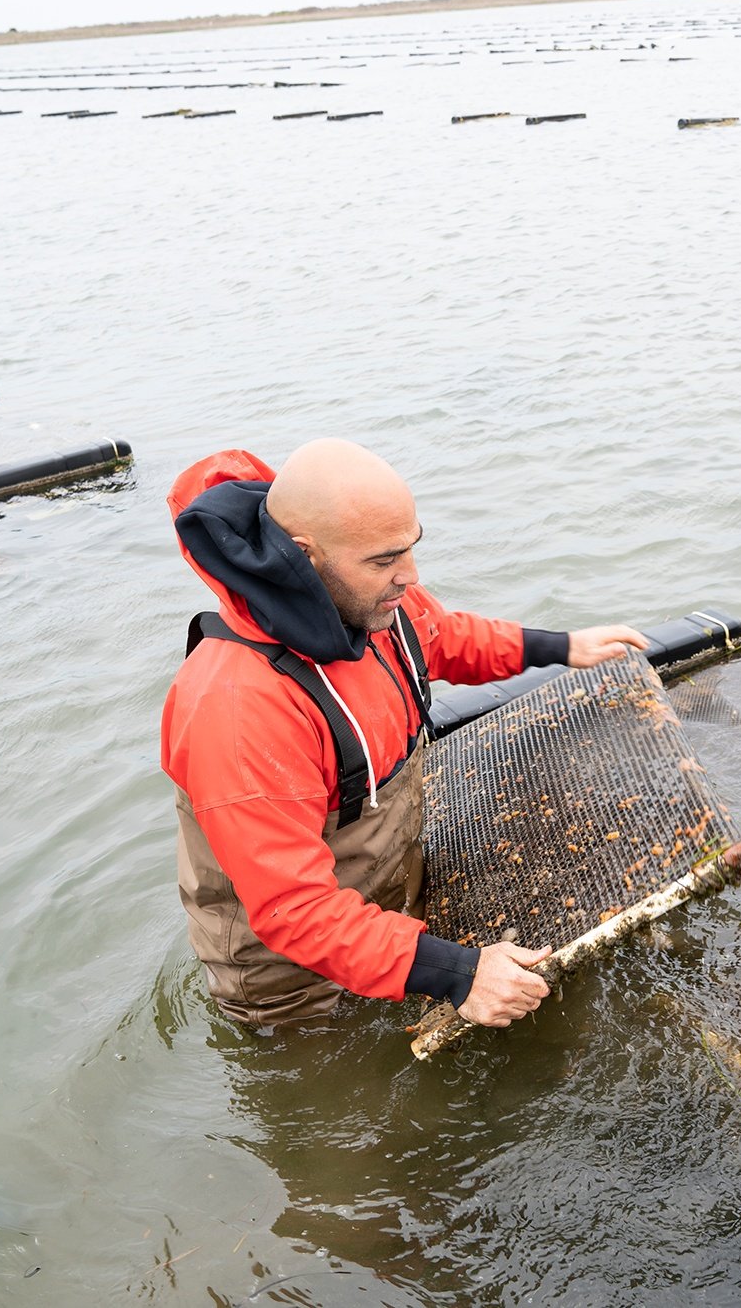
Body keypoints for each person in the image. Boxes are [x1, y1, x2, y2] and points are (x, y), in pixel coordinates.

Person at [161, 441, 647, 1029]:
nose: (410, 577)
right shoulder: (237, 707)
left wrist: (563, 647)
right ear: (302, 555)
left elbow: (440, 636)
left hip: (385, 898)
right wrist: (459, 974)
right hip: (290, 977)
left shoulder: (368, 597)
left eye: (412, 547)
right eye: (385, 559)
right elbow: (294, 909)